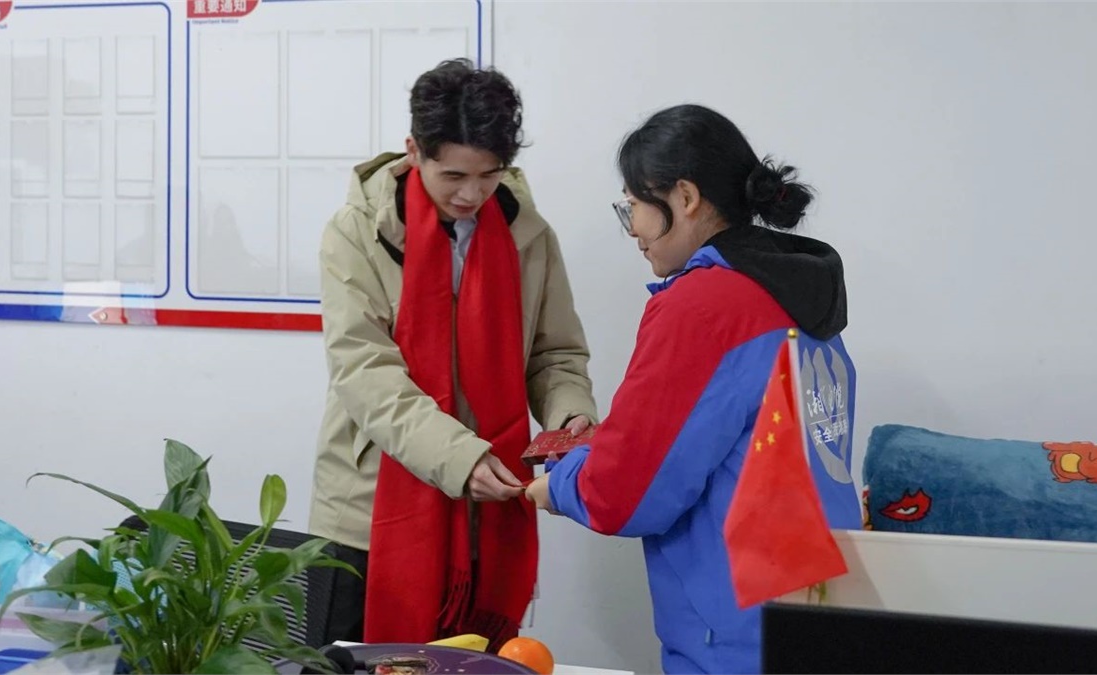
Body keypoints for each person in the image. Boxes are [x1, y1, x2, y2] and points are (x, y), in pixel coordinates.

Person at [524, 104, 850, 674]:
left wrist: (560, 483)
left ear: (684, 197)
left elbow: (626, 492)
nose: (633, 230)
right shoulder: (801, 292)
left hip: (735, 633)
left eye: (632, 207)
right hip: (822, 610)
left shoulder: (702, 308)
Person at [309, 58, 599, 649]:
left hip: (488, 510)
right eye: (453, 176)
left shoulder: (527, 234)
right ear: (414, 151)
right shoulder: (355, 232)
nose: (472, 194)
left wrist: (570, 416)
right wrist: (458, 459)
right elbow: (365, 372)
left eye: (490, 175)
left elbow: (556, 354)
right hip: (367, 513)